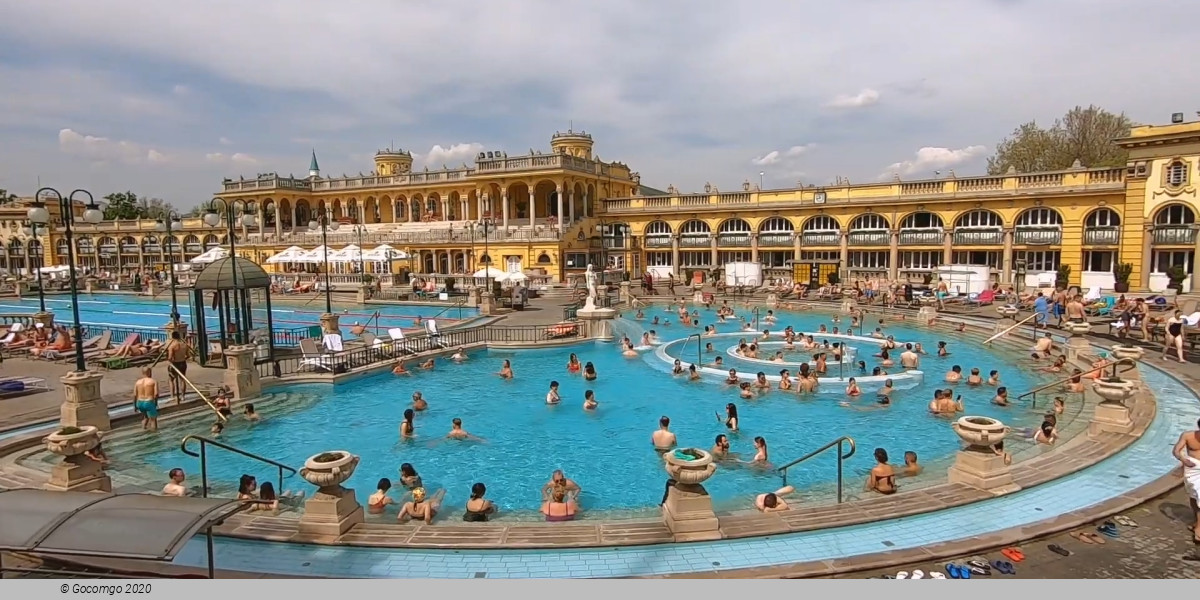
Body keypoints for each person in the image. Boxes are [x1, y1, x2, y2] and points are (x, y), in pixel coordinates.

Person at [1173, 418, 1200, 544]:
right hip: (1192, 469)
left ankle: (1199, 530)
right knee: (1193, 496)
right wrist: (1183, 460)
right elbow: (1176, 451)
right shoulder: (1187, 436)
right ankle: (1196, 522)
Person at [165, 330, 191, 404]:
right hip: (183, 363)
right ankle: (183, 396)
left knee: (171, 379)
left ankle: (172, 396)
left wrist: (169, 360)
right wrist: (183, 358)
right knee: (182, 380)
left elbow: (170, 357)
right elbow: (188, 355)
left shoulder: (172, 346)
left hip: (174, 363)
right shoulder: (184, 345)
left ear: (172, 337)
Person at [133, 367, 160, 432]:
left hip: (140, 402)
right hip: (149, 402)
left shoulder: (137, 382)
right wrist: (155, 403)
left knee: (145, 417)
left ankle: (143, 431)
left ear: (142, 373)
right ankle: (155, 435)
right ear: (149, 372)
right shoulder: (153, 381)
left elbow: (134, 395)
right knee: (153, 420)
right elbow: (156, 394)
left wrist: (135, 406)